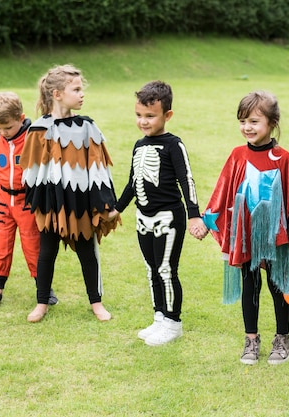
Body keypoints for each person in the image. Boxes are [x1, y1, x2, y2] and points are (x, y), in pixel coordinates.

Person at [197, 91, 289, 365]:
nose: (247, 127)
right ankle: (251, 339)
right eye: (243, 121)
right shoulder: (237, 155)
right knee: (250, 285)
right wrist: (206, 219)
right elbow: (223, 190)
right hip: (245, 235)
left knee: (278, 285)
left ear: (272, 123)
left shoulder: (283, 158)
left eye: (254, 121)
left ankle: (283, 339)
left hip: (275, 236)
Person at [108, 81, 204, 346]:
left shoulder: (174, 145)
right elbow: (132, 182)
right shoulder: (139, 145)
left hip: (168, 218)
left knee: (166, 269)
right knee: (151, 269)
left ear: (167, 115)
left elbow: (187, 180)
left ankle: (174, 322)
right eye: (139, 115)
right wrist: (116, 209)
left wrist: (194, 214)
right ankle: (160, 317)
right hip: (143, 217)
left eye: (150, 116)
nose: (143, 121)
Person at [20, 64, 119, 323]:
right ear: (57, 94)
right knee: (46, 254)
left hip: (81, 202)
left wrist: (105, 203)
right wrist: (38, 203)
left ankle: (96, 302)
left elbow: (99, 168)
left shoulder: (87, 127)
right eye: (76, 89)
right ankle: (41, 302)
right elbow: (32, 172)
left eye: (81, 89)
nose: (81, 94)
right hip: (51, 204)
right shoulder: (38, 129)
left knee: (87, 252)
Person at [0, 92, 58, 310]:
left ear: (21, 118)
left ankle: (43, 287)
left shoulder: (34, 139)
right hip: (2, 200)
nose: (4, 133)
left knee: (34, 246)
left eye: (8, 128)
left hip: (28, 201)